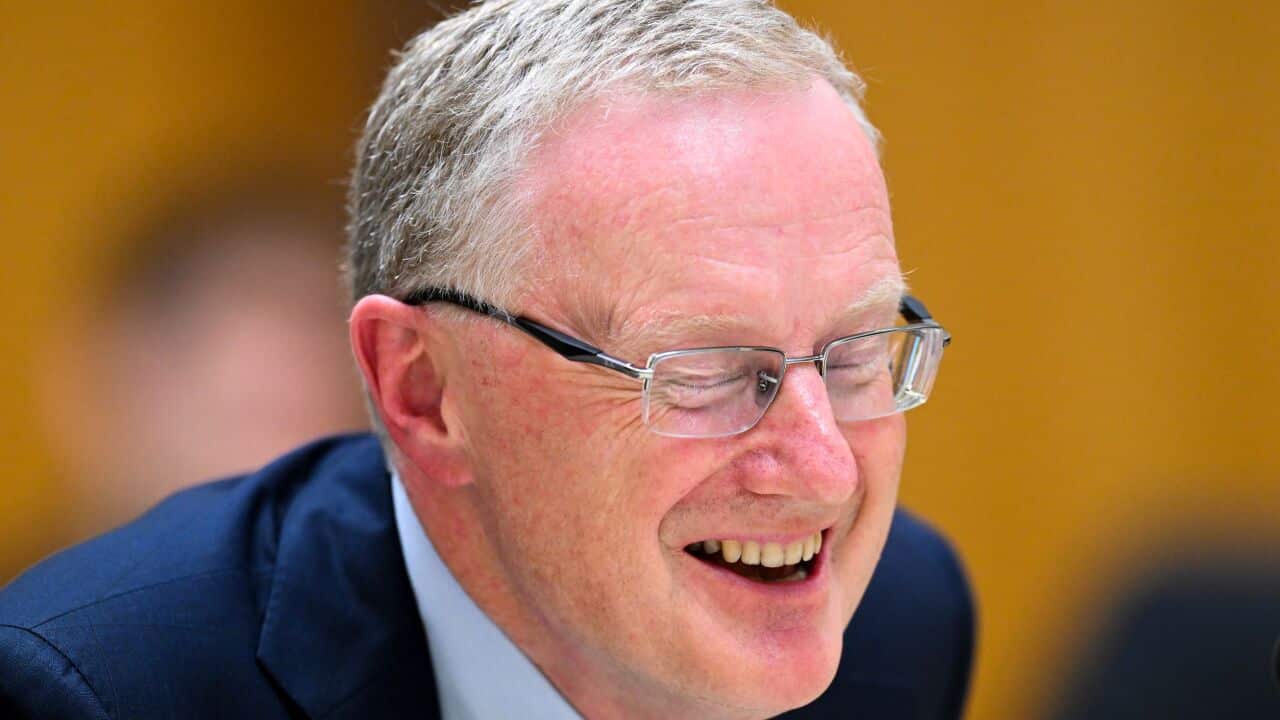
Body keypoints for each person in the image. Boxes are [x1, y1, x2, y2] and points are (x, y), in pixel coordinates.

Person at [0, 2, 974, 718]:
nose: (824, 469)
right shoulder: (102, 693)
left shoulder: (892, 625)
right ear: (423, 389)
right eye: (707, 367)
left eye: (852, 352)